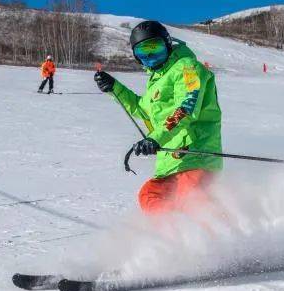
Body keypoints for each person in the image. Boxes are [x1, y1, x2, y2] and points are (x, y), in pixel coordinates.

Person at [94, 21, 223, 215]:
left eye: (155, 48)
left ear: (168, 44)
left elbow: (186, 108)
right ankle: (176, 236)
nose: (150, 56)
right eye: (142, 53)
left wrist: (155, 138)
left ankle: (227, 238)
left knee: (193, 200)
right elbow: (140, 109)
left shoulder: (188, 68)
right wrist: (115, 88)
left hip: (195, 155)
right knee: (149, 195)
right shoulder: (156, 82)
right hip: (169, 163)